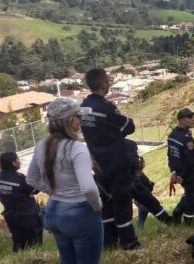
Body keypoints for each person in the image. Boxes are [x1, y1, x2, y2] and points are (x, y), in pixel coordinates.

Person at [26, 97, 103, 264]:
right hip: (79, 213)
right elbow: (89, 188)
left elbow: (31, 178)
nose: (81, 121)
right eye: (79, 117)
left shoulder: (41, 145)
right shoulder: (76, 148)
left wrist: (53, 191)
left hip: (53, 211)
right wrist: (97, 206)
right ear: (70, 120)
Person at [80, 68, 139, 250]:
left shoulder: (83, 107)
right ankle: (129, 242)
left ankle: (109, 241)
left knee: (106, 204)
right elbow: (129, 126)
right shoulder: (106, 108)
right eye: (108, 81)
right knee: (122, 203)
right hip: (116, 161)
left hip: (97, 164)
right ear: (104, 84)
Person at [0, 152, 42, 252]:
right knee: (34, 246)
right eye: (18, 159)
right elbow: (36, 189)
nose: (19, 161)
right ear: (13, 163)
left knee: (18, 244)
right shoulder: (20, 179)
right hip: (27, 217)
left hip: (11, 217)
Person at [124, 139, 172, 228]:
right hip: (134, 188)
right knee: (148, 205)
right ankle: (167, 220)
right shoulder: (129, 145)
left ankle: (167, 220)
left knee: (145, 206)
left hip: (129, 185)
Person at [167, 108, 194, 225]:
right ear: (181, 120)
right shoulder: (187, 139)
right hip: (189, 174)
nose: (193, 119)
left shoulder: (172, 135)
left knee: (189, 192)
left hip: (178, 173)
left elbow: (170, 156)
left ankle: (178, 210)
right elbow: (190, 160)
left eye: (193, 116)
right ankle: (189, 221)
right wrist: (182, 175)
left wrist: (173, 172)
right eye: (190, 117)